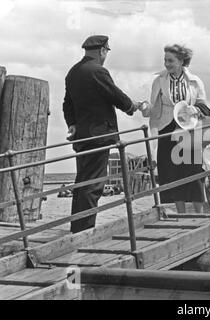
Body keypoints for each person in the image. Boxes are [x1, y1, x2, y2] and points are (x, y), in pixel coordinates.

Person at [63, 35, 140, 233]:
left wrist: (71, 123)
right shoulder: (97, 71)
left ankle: (77, 227)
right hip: (99, 136)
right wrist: (131, 106)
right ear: (103, 51)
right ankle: (85, 231)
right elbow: (114, 94)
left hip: (82, 137)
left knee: (82, 182)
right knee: (94, 184)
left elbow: (67, 103)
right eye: (106, 52)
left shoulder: (73, 72)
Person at [140, 44, 210, 214]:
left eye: (170, 60)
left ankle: (199, 215)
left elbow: (203, 104)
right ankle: (182, 215)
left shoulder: (195, 81)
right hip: (167, 128)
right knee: (173, 173)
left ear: (181, 61)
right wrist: (144, 108)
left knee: (194, 170)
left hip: (189, 128)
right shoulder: (159, 81)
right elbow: (153, 107)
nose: (166, 64)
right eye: (165, 60)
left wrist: (196, 109)